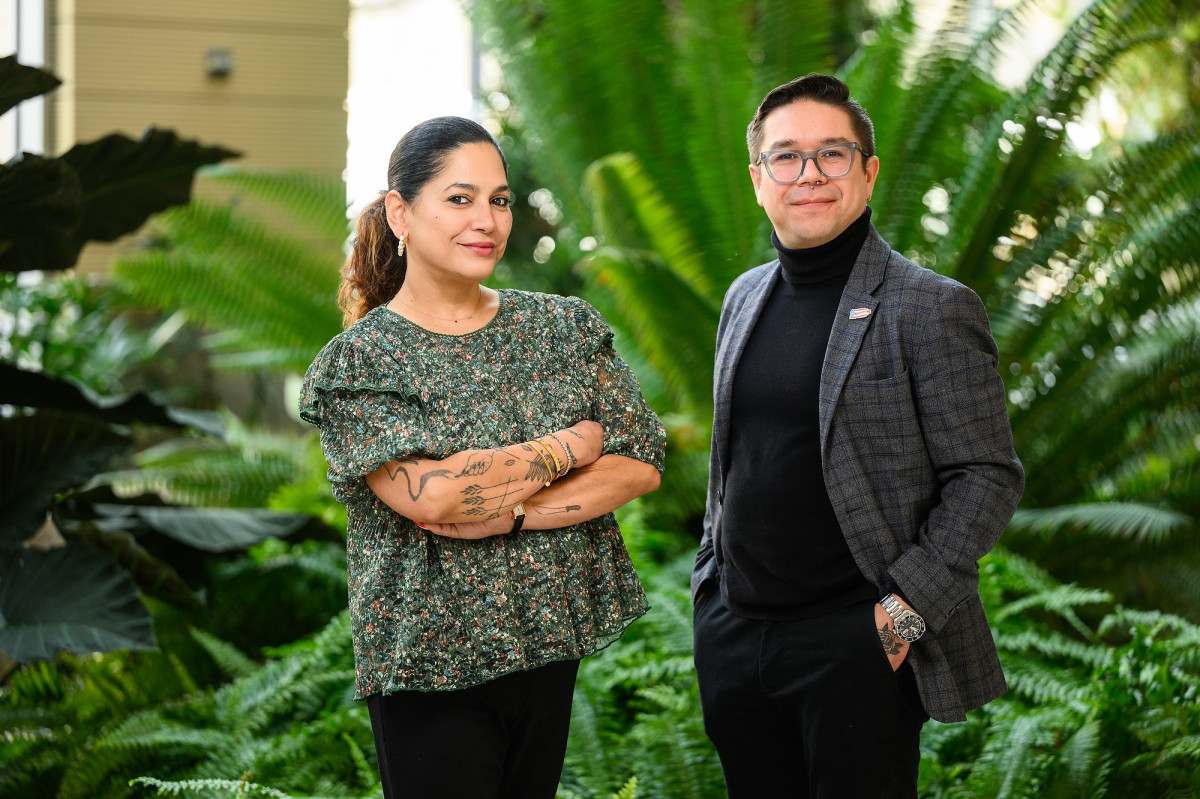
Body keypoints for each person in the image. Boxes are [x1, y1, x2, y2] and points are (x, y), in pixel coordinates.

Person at [299, 116, 666, 799]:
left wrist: (518, 512)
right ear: (401, 213)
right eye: (460, 199)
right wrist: (571, 444)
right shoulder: (359, 361)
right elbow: (435, 497)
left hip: (548, 645)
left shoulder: (562, 327)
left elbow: (640, 459)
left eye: (499, 200)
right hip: (430, 668)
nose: (488, 220)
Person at [690, 74, 1025, 798]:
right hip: (735, 635)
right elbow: (734, 459)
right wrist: (708, 588)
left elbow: (988, 475)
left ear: (868, 171)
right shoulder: (743, 296)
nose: (807, 174)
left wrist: (900, 615)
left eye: (831, 154)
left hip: (856, 645)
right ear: (757, 179)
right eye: (786, 157)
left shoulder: (930, 307)